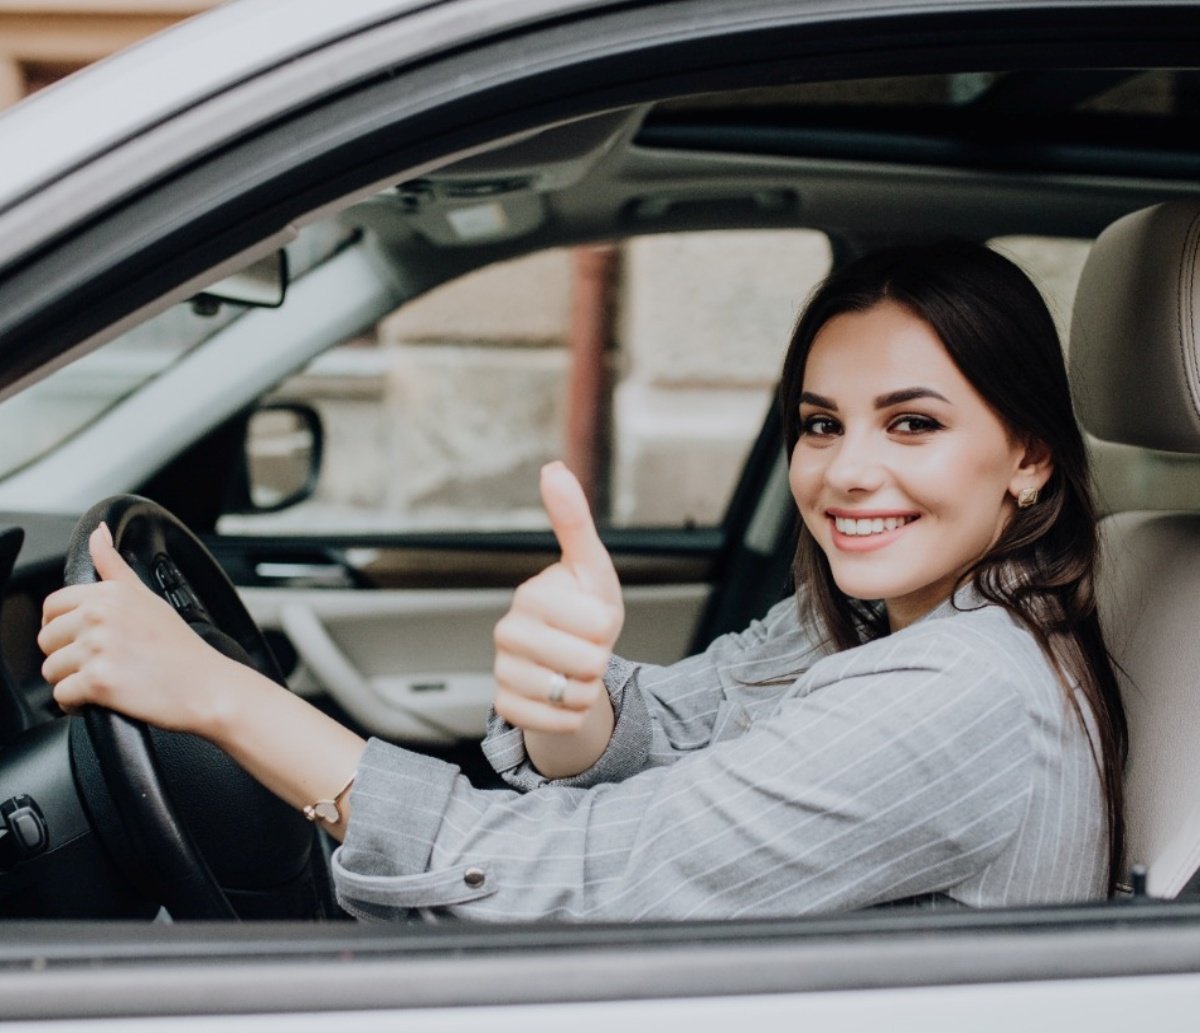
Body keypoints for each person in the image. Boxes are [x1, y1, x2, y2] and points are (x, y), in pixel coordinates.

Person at [37, 241, 1127, 922]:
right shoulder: (870, 619)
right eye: (819, 424)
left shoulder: (957, 692)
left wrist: (223, 698)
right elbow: (679, 721)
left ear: (1028, 455)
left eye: (913, 424)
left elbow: (574, 882)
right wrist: (578, 709)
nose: (847, 471)